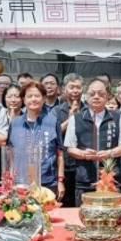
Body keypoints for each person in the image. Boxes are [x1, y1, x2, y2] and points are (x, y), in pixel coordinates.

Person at [64, 78, 121, 205]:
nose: (96, 97)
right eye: (92, 94)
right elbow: (70, 147)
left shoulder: (117, 118)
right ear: (85, 96)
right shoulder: (76, 119)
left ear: (107, 97)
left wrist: (110, 153)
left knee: (110, 219)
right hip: (84, 181)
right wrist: (83, 154)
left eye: (101, 94)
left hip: (110, 181)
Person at [7, 81, 64, 198]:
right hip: (21, 183)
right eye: (29, 96)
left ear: (43, 99)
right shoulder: (15, 123)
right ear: (23, 100)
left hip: (47, 182)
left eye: (37, 96)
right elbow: (11, 154)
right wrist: (10, 179)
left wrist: (60, 181)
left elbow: (60, 154)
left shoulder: (53, 122)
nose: (33, 99)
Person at [53, 73, 84, 206]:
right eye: (72, 87)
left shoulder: (89, 109)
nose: (75, 91)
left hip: (82, 163)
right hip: (63, 164)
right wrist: (71, 118)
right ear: (65, 89)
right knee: (64, 202)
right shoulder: (56, 111)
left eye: (78, 87)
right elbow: (53, 133)